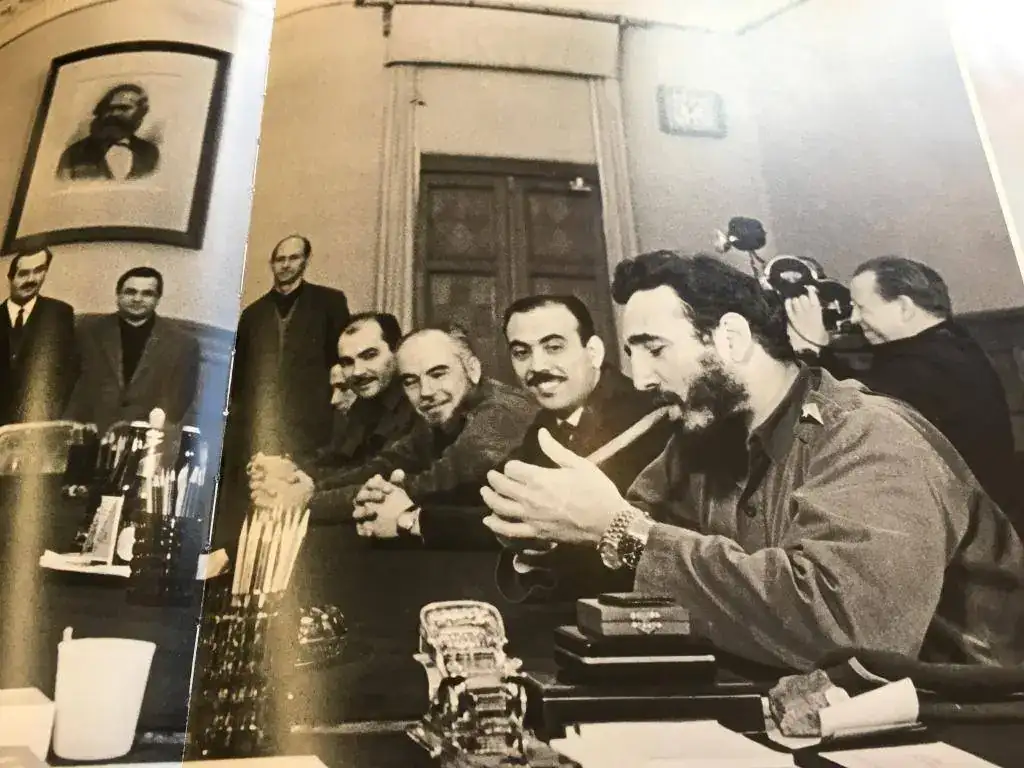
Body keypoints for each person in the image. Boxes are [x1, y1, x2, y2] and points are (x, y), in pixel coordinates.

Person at [482, 251, 1024, 671]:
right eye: (633, 354)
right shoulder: (702, 441)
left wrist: (619, 531)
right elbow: (641, 559)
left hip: (969, 726)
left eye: (656, 348)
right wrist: (550, 537)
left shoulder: (871, 436)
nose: (642, 379)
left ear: (733, 338)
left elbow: (848, 633)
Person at [785, 256, 1019, 528]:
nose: (854, 318)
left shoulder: (923, 369)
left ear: (905, 307)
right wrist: (819, 354)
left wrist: (809, 353)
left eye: (861, 307)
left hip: (957, 531)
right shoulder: (947, 345)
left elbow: (815, 426)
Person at [258, 325, 537, 549]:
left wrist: (307, 502)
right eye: (411, 381)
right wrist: (310, 487)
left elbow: (431, 486)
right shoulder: (446, 411)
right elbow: (387, 462)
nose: (425, 392)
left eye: (438, 374)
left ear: (473, 370)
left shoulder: (500, 413)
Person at [495, 294, 673, 602]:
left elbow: (658, 554)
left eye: (554, 347)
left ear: (593, 352)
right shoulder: (544, 425)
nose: (537, 366)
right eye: (521, 353)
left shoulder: (654, 420)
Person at [227, 234, 350, 460]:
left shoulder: (330, 303)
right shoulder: (252, 314)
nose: (285, 265)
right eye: (280, 259)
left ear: (306, 261)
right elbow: (239, 379)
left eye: (293, 258)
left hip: (314, 425)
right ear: (271, 264)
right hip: (263, 425)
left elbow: (342, 362)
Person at [66, 267, 199, 433]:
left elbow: (179, 401)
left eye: (147, 294)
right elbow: (69, 386)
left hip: (147, 436)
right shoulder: (87, 331)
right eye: (130, 292)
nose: (137, 299)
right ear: (118, 295)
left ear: (158, 299)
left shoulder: (182, 344)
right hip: (89, 432)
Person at [297, 312, 416, 478]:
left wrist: (305, 483)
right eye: (347, 362)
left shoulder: (416, 403)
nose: (357, 372)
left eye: (369, 356)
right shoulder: (364, 405)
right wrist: (291, 472)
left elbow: (373, 473)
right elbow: (337, 457)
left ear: (397, 351)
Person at [0, 248, 78, 426]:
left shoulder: (60, 313)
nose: (31, 279)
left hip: (39, 420)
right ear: (10, 277)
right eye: (23, 273)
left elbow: (69, 370)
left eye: (39, 271)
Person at [57, 84, 159, 181]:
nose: (113, 113)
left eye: (123, 108)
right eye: (108, 108)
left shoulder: (150, 152)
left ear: (141, 113)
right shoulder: (75, 154)